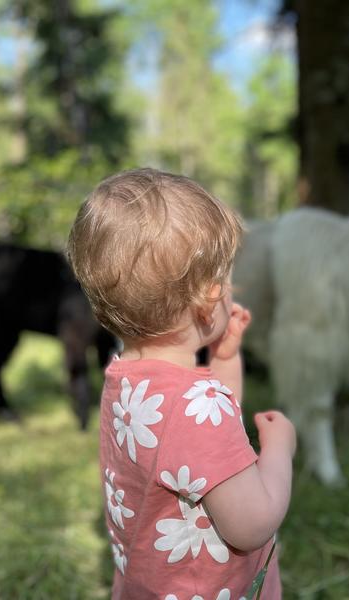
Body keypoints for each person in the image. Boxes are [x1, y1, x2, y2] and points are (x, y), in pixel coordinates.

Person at [66, 168, 296, 600]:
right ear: (210, 301)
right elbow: (252, 524)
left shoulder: (125, 381)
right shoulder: (193, 404)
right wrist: (280, 449)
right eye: (226, 279)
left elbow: (206, 444)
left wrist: (223, 359)